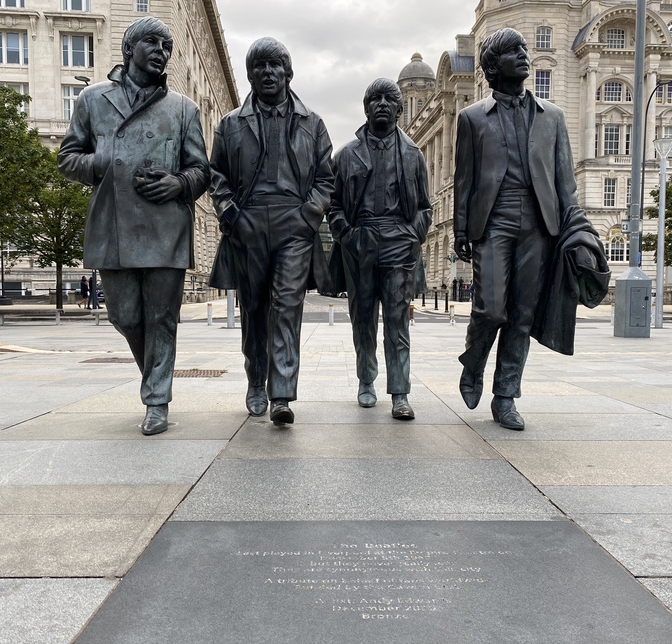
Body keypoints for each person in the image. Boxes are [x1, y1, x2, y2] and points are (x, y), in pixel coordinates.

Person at [58, 17, 210, 435]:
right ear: (129, 49)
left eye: (168, 46)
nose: (162, 51)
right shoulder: (92, 100)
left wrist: (179, 182)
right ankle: (154, 378)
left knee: (162, 318)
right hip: (113, 225)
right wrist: (104, 161)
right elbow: (68, 158)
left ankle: (156, 400)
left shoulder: (183, 108)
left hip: (166, 228)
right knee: (125, 317)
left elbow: (202, 170)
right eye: (153, 43)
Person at [453, 27, 592, 431]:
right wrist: (462, 228)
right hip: (492, 221)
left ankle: (506, 395)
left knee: (522, 315)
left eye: (526, 48)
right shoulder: (472, 118)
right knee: (490, 309)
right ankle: (474, 361)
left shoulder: (553, 117)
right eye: (515, 51)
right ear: (494, 66)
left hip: (539, 224)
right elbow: (465, 179)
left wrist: (576, 230)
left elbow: (566, 183)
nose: (525, 55)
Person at [209, 37, 334, 426]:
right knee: (254, 309)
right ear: (250, 75)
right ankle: (254, 381)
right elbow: (217, 177)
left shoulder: (312, 123)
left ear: (288, 72)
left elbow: (326, 179)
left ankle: (281, 393)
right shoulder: (231, 124)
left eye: (274, 65)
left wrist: (308, 214)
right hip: (247, 223)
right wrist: (232, 215)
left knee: (286, 307)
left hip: (293, 224)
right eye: (259, 66)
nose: (267, 72)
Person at [328, 78, 431, 420]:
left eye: (390, 99)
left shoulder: (414, 155)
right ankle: (366, 380)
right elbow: (333, 204)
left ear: (400, 110)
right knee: (363, 319)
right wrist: (347, 234)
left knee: (398, 321)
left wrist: (411, 235)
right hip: (361, 242)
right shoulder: (345, 156)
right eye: (376, 99)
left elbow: (425, 209)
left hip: (398, 243)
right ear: (366, 108)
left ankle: (400, 392)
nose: (382, 104)